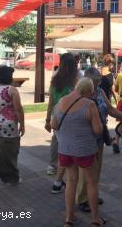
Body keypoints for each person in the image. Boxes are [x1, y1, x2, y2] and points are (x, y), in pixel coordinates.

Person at [76, 68, 122, 213]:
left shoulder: (100, 92)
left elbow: (110, 109)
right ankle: (83, 199)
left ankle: (92, 195)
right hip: (85, 139)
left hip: (99, 137)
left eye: (98, 82)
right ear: (86, 81)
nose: (96, 85)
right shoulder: (79, 94)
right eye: (94, 83)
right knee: (85, 171)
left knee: (96, 168)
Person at [50, 78, 104, 227]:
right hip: (85, 150)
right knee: (91, 183)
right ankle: (95, 219)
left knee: (71, 181)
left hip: (65, 150)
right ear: (88, 91)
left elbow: (54, 124)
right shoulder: (90, 104)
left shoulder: (61, 101)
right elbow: (98, 130)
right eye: (91, 93)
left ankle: (69, 218)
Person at [45, 53, 79, 190]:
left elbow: (51, 101)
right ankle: (61, 176)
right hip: (70, 116)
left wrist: (48, 119)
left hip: (56, 116)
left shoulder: (55, 79)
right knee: (68, 144)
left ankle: (52, 166)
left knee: (56, 140)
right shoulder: (75, 80)